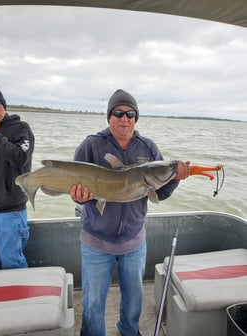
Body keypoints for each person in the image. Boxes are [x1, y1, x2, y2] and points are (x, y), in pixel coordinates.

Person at [70, 89, 190, 336]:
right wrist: (76, 195)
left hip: (134, 242)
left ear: (136, 118)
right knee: (92, 306)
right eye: (118, 112)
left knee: (134, 303)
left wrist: (175, 178)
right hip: (96, 241)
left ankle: (129, 332)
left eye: (130, 113)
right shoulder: (91, 145)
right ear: (109, 116)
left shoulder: (149, 148)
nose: (124, 119)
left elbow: (160, 193)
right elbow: (74, 186)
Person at [0, 87, 34, 269]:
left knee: (12, 263)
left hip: (10, 211)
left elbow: (21, 157)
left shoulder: (20, 129)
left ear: (3, 106)